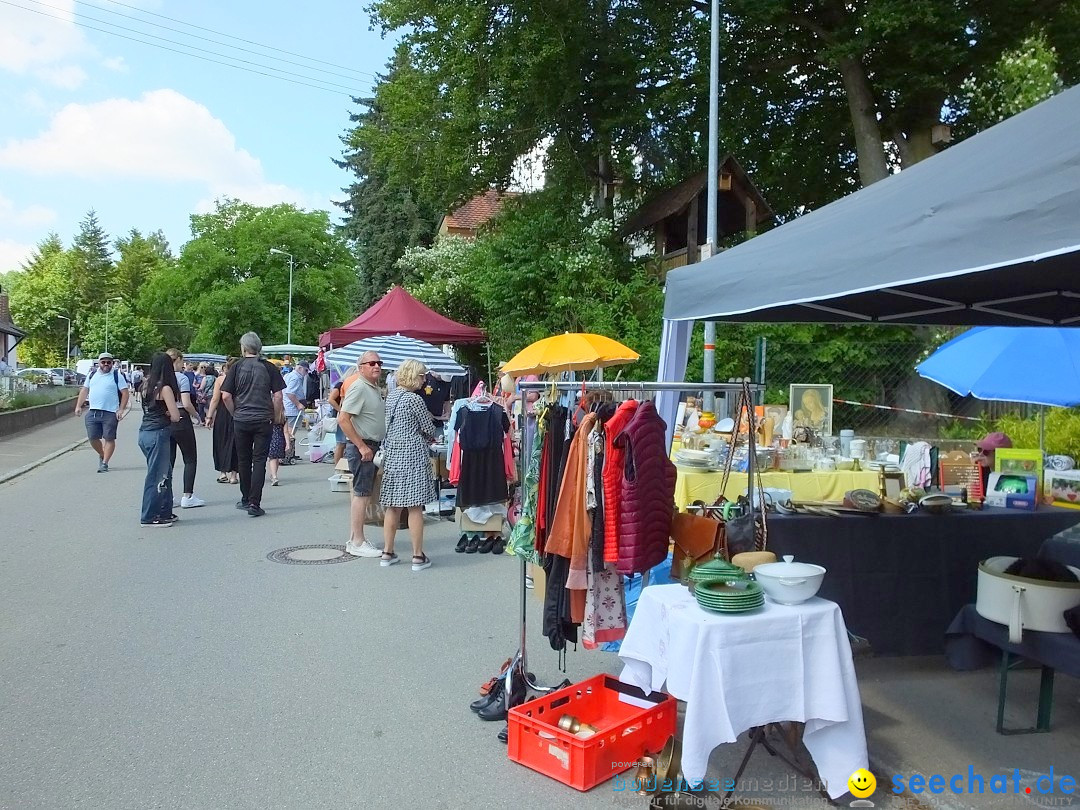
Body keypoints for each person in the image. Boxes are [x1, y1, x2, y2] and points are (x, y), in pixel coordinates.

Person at [378, 358, 439, 571]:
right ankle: (417, 556)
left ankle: (387, 552)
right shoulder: (414, 399)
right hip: (412, 454)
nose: (425, 380)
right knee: (415, 507)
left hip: (394, 454)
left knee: (392, 506)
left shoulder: (392, 396)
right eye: (422, 376)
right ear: (414, 376)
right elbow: (429, 428)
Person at [220, 332, 285, 517]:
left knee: (244, 460)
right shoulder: (269, 367)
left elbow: (226, 396)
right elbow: (278, 395)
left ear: (244, 348)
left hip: (241, 419)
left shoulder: (236, 367)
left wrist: (235, 413)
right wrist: (275, 414)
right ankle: (255, 504)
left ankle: (245, 498)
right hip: (263, 419)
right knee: (259, 460)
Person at [337, 351, 386, 557]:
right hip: (363, 447)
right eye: (371, 363)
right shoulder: (359, 387)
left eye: (379, 363)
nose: (376, 366)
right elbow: (343, 419)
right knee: (362, 493)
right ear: (361, 367)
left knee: (363, 493)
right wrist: (361, 446)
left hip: (370, 445)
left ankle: (355, 537)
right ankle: (357, 541)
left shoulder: (371, 387)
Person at [137, 352, 182, 526]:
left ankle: (165, 511)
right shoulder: (165, 389)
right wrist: (170, 412)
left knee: (165, 473)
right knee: (157, 476)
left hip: (145, 432)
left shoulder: (146, 385)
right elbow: (176, 416)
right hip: (159, 432)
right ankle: (150, 515)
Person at [74, 351, 131, 473]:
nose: (106, 364)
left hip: (110, 412)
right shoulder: (92, 374)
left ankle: (104, 463)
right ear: (99, 363)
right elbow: (84, 390)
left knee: (109, 438)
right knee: (92, 437)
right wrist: (78, 406)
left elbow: (125, 393)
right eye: (103, 362)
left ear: (112, 363)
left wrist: (121, 409)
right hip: (93, 411)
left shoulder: (117, 375)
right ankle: (102, 454)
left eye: (108, 362)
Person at [164, 349, 205, 509]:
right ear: (178, 360)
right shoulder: (181, 378)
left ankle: (168, 495)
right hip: (181, 416)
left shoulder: (162, 378)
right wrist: (197, 416)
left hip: (166, 418)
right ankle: (188, 495)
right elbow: (186, 403)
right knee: (190, 458)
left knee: (169, 460)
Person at [206, 356, 239, 484]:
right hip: (238, 411)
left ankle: (223, 473)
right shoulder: (241, 379)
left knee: (221, 441)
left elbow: (215, 399)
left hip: (222, 413)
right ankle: (234, 475)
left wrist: (209, 416)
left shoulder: (220, 380)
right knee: (236, 443)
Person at [327, 367, 359, 465]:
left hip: (344, 415)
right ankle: (338, 466)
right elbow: (331, 399)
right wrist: (340, 410)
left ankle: (341, 466)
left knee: (343, 443)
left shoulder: (345, 384)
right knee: (341, 443)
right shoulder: (341, 385)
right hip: (342, 416)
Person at [281, 359, 309, 460]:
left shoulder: (289, 375)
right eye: (306, 371)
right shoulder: (295, 378)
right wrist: (298, 404)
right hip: (292, 409)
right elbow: (290, 393)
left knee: (289, 432)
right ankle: (287, 454)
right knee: (290, 432)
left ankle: (291, 453)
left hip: (288, 407)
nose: (306, 374)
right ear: (300, 368)